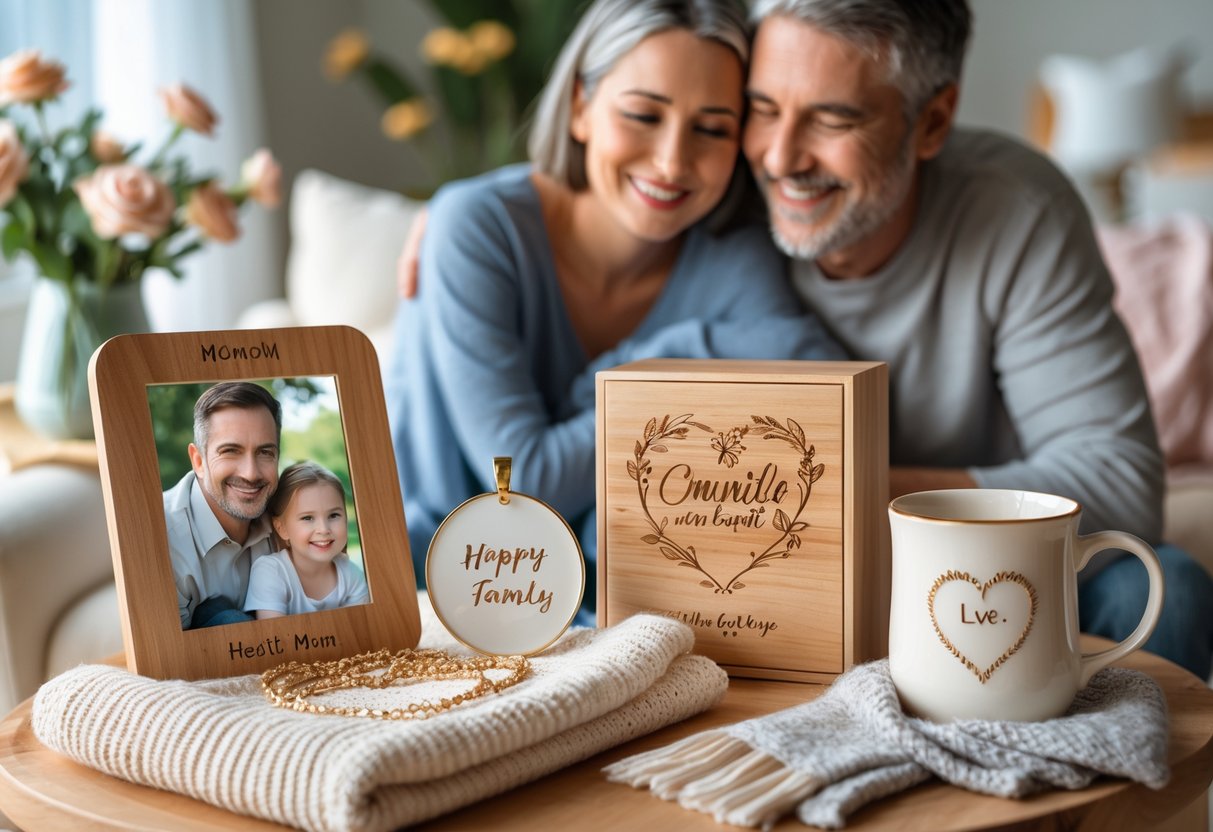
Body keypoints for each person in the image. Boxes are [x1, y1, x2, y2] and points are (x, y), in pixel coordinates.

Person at [736, 0, 1211, 677]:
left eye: (832, 117)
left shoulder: (1016, 211)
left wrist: (842, 497)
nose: (778, 156)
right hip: (773, 574)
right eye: (761, 107)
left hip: (984, 568)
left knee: (1165, 591)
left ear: (931, 120)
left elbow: (1121, 483)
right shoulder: (712, 193)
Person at [385, 0, 844, 611]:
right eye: (642, 115)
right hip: (442, 577)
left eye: (712, 128)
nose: (672, 161)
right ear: (580, 107)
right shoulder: (477, 227)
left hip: (627, 592)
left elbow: (824, 378)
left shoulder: (735, 255)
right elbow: (525, 485)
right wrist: (674, 368)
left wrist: (658, 368)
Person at [163, 382, 281, 629]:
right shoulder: (161, 539)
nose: (250, 474)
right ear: (199, 461)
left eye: (265, 453)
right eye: (230, 451)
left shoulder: (289, 517)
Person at [244, 461, 370, 619]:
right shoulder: (271, 571)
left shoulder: (352, 575)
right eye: (308, 518)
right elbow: (274, 638)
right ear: (281, 528)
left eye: (333, 515)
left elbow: (362, 633)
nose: (323, 529)